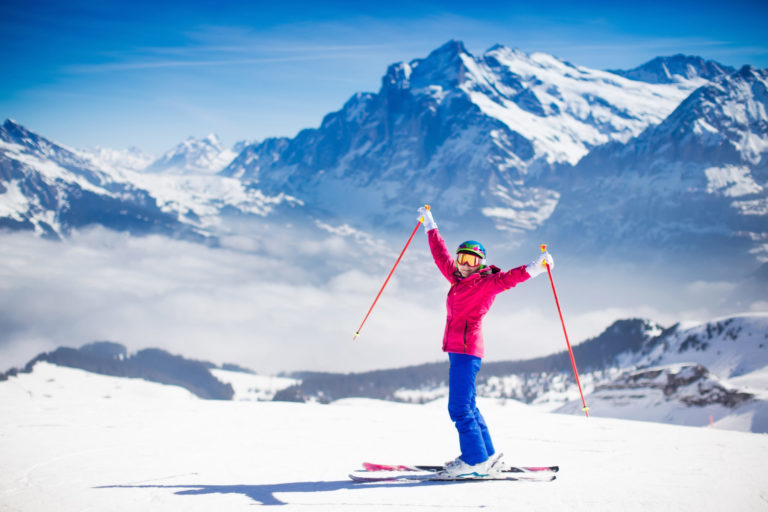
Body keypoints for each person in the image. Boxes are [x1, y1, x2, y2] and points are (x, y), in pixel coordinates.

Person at [417, 206, 554, 479]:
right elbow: (439, 255)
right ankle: (487, 456)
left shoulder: (486, 283)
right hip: (459, 351)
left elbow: (509, 279)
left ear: (480, 263)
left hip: (467, 351)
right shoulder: (456, 278)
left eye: (472, 260)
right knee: (469, 405)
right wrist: (430, 226)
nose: (465, 264)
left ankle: (474, 460)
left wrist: (535, 268)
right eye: (462, 258)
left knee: (458, 408)